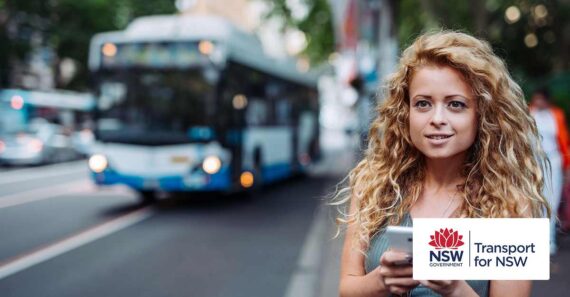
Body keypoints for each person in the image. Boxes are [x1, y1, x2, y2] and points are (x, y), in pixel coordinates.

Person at [333, 31, 551, 297]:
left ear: (482, 114)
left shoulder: (513, 204)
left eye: (455, 104)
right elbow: (347, 288)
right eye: (423, 103)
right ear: (406, 112)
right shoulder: (373, 184)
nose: (437, 118)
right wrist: (382, 280)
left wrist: (456, 289)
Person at [529, 88, 570, 255]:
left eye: (541, 100)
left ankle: (549, 239)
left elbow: (563, 141)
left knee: (552, 199)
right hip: (533, 161)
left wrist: (567, 165)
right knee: (535, 198)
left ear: (546, 101)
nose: (538, 103)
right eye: (536, 99)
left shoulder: (556, 115)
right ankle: (535, 239)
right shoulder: (529, 113)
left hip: (553, 160)